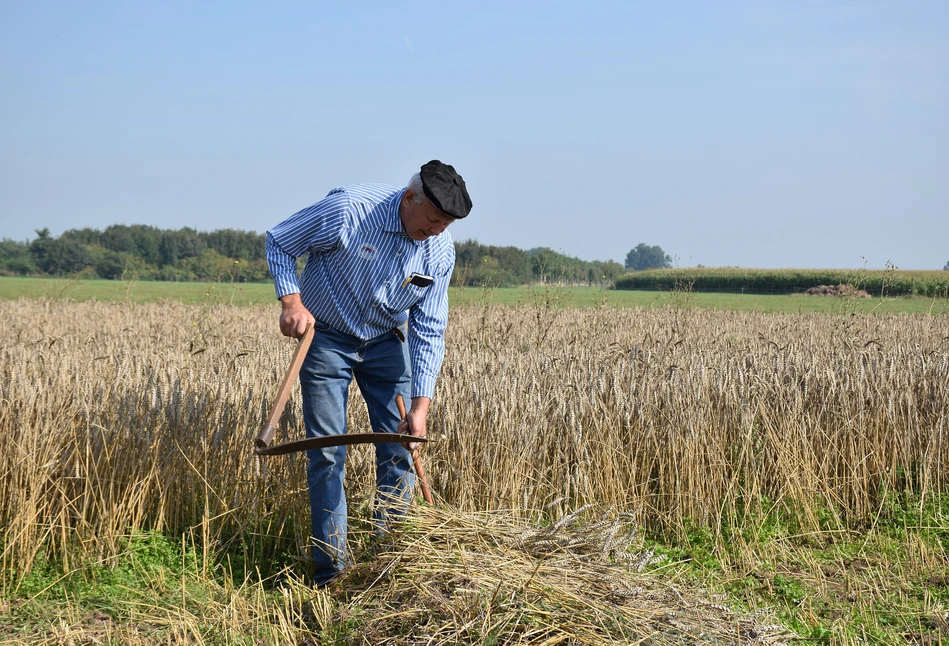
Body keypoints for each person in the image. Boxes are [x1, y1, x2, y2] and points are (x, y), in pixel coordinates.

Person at [265, 160, 472, 586]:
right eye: (432, 220)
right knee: (327, 451)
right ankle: (332, 573)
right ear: (408, 197)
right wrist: (291, 301)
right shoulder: (349, 211)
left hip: (383, 342)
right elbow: (279, 242)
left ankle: (388, 565)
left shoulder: (440, 249)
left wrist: (421, 406)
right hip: (325, 339)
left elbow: (429, 327)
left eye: (445, 225)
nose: (435, 231)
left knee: (401, 446)